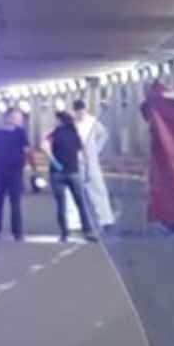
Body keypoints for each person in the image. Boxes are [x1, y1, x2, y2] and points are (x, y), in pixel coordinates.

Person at [45, 111, 97, 243]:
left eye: (55, 120)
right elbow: (83, 150)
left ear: (60, 121)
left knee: (61, 204)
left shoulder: (54, 133)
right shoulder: (75, 134)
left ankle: (64, 233)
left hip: (57, 172)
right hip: (73, 171)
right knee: (81, 203)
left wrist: (54, 161)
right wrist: (86, 168)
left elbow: (44, 146)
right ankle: (88, 231)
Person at [65, 99, 116, 232]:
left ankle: (106, 220)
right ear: (74, 111)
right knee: (73, 191)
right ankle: (73, 221)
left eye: (82, 111)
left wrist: (97, 150)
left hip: (91, 161)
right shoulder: (70, 123)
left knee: (98, 189)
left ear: (85, 110)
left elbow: (103, 135)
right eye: (77, 112)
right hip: (75, 161)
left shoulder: (92, 122)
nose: (80, 114)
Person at [0, 109, 30, 240]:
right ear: (9, 118)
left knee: (3, 202)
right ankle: (14, 232)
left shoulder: (15, 131)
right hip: (8, 171)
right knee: (9, 202)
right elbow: (26, 150)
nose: (20, 121)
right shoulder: (15, 132)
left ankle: (0, 231)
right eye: (18, 118)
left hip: (6, 171)